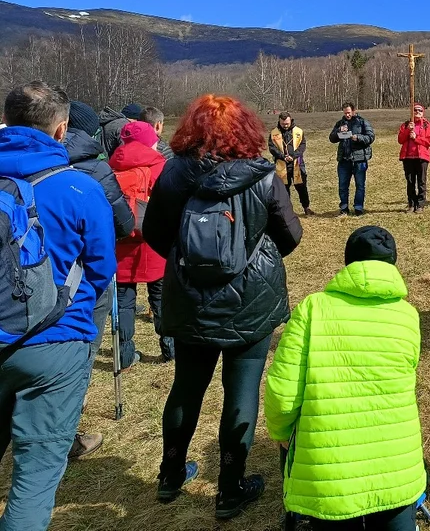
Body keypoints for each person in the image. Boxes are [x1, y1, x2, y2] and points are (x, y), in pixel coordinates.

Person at [142, 94, 303, 520]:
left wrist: (188, 263)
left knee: (186, 387)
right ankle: (230, 488)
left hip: (191, 301)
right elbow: (291, 235)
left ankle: (170, 475)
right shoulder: (263, 176)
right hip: (251, 301)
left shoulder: (175, 172)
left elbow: (155, 232)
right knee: (242, 391)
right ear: (247, 129)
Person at [0, 81, 116, 531]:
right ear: (61, 129)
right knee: (34, 478)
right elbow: (102, 268)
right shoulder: (78, 189)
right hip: (56, 343)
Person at [264, 226, 425, 530]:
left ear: (347, 263)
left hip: (329, 481)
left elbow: (282, 393)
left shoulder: (312, 309)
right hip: (398, 469)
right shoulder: (408, 315)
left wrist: (282, 435)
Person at [64, 100, 136, 460]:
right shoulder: (95, 170)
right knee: (77, 355)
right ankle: (65, 434)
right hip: (84, 279)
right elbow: (124, 224)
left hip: (20, 281)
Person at [109, 120, 172, 366]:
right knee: (161, 298)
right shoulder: (162, 168)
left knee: (124, 303)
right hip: (155, 245)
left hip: (121, 247)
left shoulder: (110, 169)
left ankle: (123, 355)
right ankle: (170, 348)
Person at [329, 102, 375, 216]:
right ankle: (344, 207)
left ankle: (358, 207)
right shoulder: (340, 123)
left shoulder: (362, 122)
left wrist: (358, 137)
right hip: (344, 160)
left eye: (349, 113)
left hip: (359, 159)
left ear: (354, 111)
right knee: (343, 185)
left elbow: (371, 137)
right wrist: (339, 131)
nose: (347, 115)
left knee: (360, 185)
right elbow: (332, 138)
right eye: (345, 113)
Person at [269, 112, 315, 216]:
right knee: (284, 189)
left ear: (291, 121)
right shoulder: (274, 133)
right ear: (279, 121)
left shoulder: (298, 131)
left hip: (297, 164)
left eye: (287, 123)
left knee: (301, 186)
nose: (285, 125)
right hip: (281, 164)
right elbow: (272, 147)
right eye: (283, 123)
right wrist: (282, 156)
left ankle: (306, 207)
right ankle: (287, 211)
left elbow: (302, 145)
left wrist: (293, 156)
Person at [397, 103, 430, 213]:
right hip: (408, 157)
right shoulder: (406, 125)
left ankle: (420, 204)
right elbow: (400, 140)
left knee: (421, 181)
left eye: (420, 111)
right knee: (410, 181)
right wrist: (408, 130)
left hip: (421, 157)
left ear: (423, 113)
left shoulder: (426, 125)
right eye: (415, 110)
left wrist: (416, 138)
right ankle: (411, 204)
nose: (417, 112)